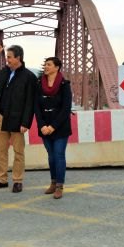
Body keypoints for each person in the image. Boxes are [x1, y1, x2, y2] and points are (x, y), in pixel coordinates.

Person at [0, 44, 37, 193]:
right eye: (6, 57)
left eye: (9, 57)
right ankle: (1, 179)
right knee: (1, 151)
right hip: (2, 117)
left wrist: (26, 122)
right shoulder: (4, 73)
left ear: (18, 58)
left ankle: (17, 180)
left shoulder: (29, 77)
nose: (7, 60)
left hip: (18, 120)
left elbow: (30, 102)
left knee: (18, 152)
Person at [34, 57, 72, 199]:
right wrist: (42, 125)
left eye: (49, 65)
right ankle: (53, 182)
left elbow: (66, 108)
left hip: (60, 127)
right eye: (45, 64)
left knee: (59, 155)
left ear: (57, 67)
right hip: (44, 126)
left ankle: (59, 186)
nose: (46, 67)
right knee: (51, 156)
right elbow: (36, 106)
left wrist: (52, 126)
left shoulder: (64, 84)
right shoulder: (39, 84)